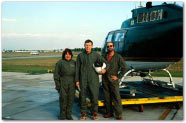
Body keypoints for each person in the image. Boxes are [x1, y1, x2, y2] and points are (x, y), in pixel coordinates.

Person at [75, 39, 109, 120]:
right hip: (83, 79)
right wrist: (77, 80)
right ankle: (83, 113)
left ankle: (94, 113)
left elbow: (106, 63)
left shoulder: (96, 55)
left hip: (93, 79)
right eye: (86, 45)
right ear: (84, 46)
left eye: (89, 45)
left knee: (94, 96)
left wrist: (105, 69)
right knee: (82, 96)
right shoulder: (80, 56)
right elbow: (77, 68)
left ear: (92, 46)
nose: (88, 47)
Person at [102, 42, 127, 120]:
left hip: (113, 80)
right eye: (108, 46)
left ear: (113, 47)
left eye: (111, 46)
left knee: (116, 97)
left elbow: (124, 68)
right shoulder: (103, 56)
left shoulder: (118, 57)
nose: (109, 47)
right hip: (105, 79)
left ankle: (119, 114)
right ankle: (109, 112)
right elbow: (98, 64)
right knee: (107, 97)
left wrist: (118, 77)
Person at [53, 48, 76, 120]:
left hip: (72, 84)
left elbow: (77, 74)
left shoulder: (74, 63)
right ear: (64, 55)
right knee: (63, 100)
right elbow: (56, 75)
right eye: (66, 54)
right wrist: (58, 86)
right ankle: (62, 115)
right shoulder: (60, 63)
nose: (68, 55)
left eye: (69, 54)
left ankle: (68, 114)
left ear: (71, 55)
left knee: (70, 100)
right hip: (63, 83)